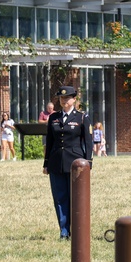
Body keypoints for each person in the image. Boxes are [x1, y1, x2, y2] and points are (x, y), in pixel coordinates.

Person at [42, 86, 93, 239]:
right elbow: (49, 141)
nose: (64, 101)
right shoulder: (53, 117)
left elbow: (88, 143)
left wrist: (88, 162)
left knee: (76, 198)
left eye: (67, 98)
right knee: (59, 197)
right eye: (62, 98)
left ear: (74, 100)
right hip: (56, 162)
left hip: (76, 163)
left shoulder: (82, 117)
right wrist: (46, 163)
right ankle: (64, 230)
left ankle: (77, 230)